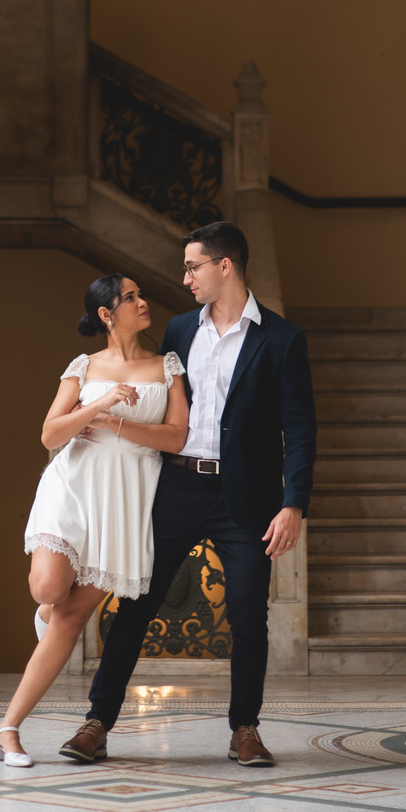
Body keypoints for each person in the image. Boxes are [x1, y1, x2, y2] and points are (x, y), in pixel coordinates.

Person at [59, 220, 317, 769]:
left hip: (245, 497)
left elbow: (300, 428)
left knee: (249, 615)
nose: (185, 276)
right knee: (135, 604)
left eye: (193, 266)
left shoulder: (282, 339)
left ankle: (244, 728)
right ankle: (96, 723)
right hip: (174, 484)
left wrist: (293, 502)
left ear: (225, 267)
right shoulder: (178, 330)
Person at [0, 272, 190, 767]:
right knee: (48, 592)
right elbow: (50, 434)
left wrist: (118, 422)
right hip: (73, 487)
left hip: (125, 500)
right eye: (130, 298)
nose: (143, 303)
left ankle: (7, 730)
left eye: (140, 295)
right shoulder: (83, 366)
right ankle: (44, 614)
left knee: (72, 617)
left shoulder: (166, 366)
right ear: (107, 314)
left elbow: (177, 438)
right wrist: (98, 404)